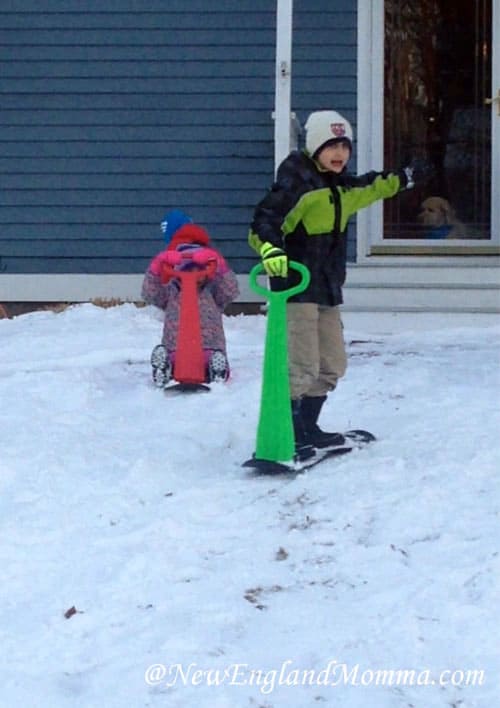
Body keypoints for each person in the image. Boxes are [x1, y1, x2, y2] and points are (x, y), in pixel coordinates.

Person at [248, 109, 428, 459]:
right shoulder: (296, 184)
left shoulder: (342, 187)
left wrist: (404, 178)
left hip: (327, 288)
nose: (340, 154)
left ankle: (309, 426)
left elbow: (373, 187)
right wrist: (271, 249)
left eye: (344, 146)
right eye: (332, 146)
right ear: (315, 146)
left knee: (332, 363)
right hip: (296, 288)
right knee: (301, 366)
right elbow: (264, 222)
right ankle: (288, 432)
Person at [142, 209, 239, 387]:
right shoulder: (172, 291)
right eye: (188, 268)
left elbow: (230, 290)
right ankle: (164, 369)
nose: (194, 273)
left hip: (209, 347)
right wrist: (156, 266)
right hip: (176, 348)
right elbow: (150, 293)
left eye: (199, 269)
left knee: (214, 359)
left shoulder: (211, 291)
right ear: (178, 270)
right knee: (171, 358)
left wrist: (220, 264)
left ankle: (217, 373)